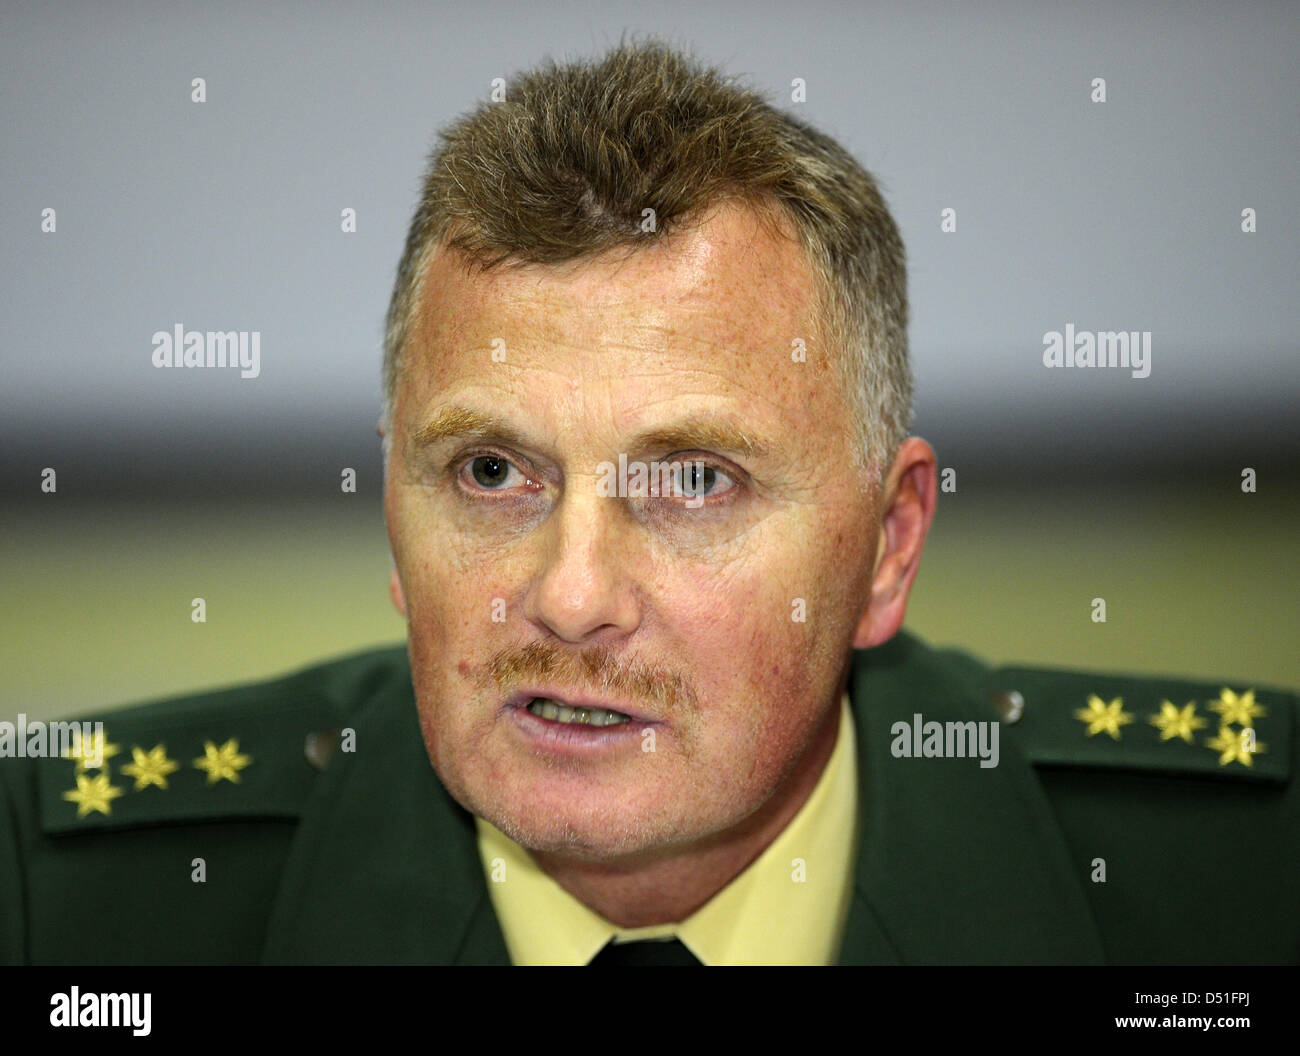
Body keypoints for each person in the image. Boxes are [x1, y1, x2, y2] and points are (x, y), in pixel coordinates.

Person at [1, 38, 1294, 966]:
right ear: (391, 513)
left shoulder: (1251, 875)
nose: (569, 597)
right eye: (492, 474)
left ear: (889, 548)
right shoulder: (57, 894)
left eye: (691, 481)